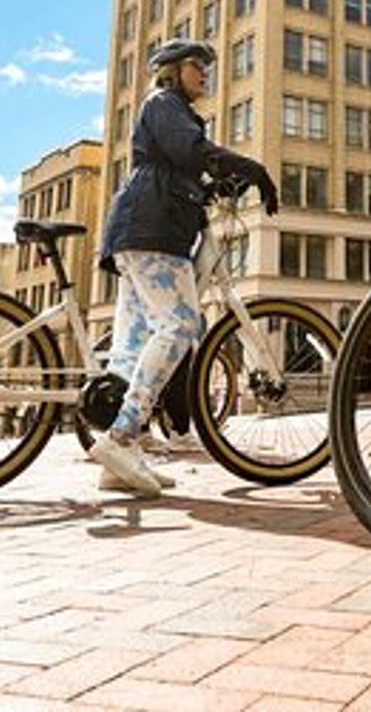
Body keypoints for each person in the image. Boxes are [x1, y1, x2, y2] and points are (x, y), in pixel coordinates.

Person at [93, 39, 278, 496]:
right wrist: (249, 167)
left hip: (144, 230)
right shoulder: (164, 104)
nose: (206, 74)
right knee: (179, 325)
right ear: (173, 71)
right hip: (152, 231)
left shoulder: (170, 110)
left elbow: (182, 165)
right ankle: (121, 434)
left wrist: (216, 184)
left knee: (135, 345)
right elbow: (190, 150)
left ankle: (117, 461)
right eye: (199, 66)